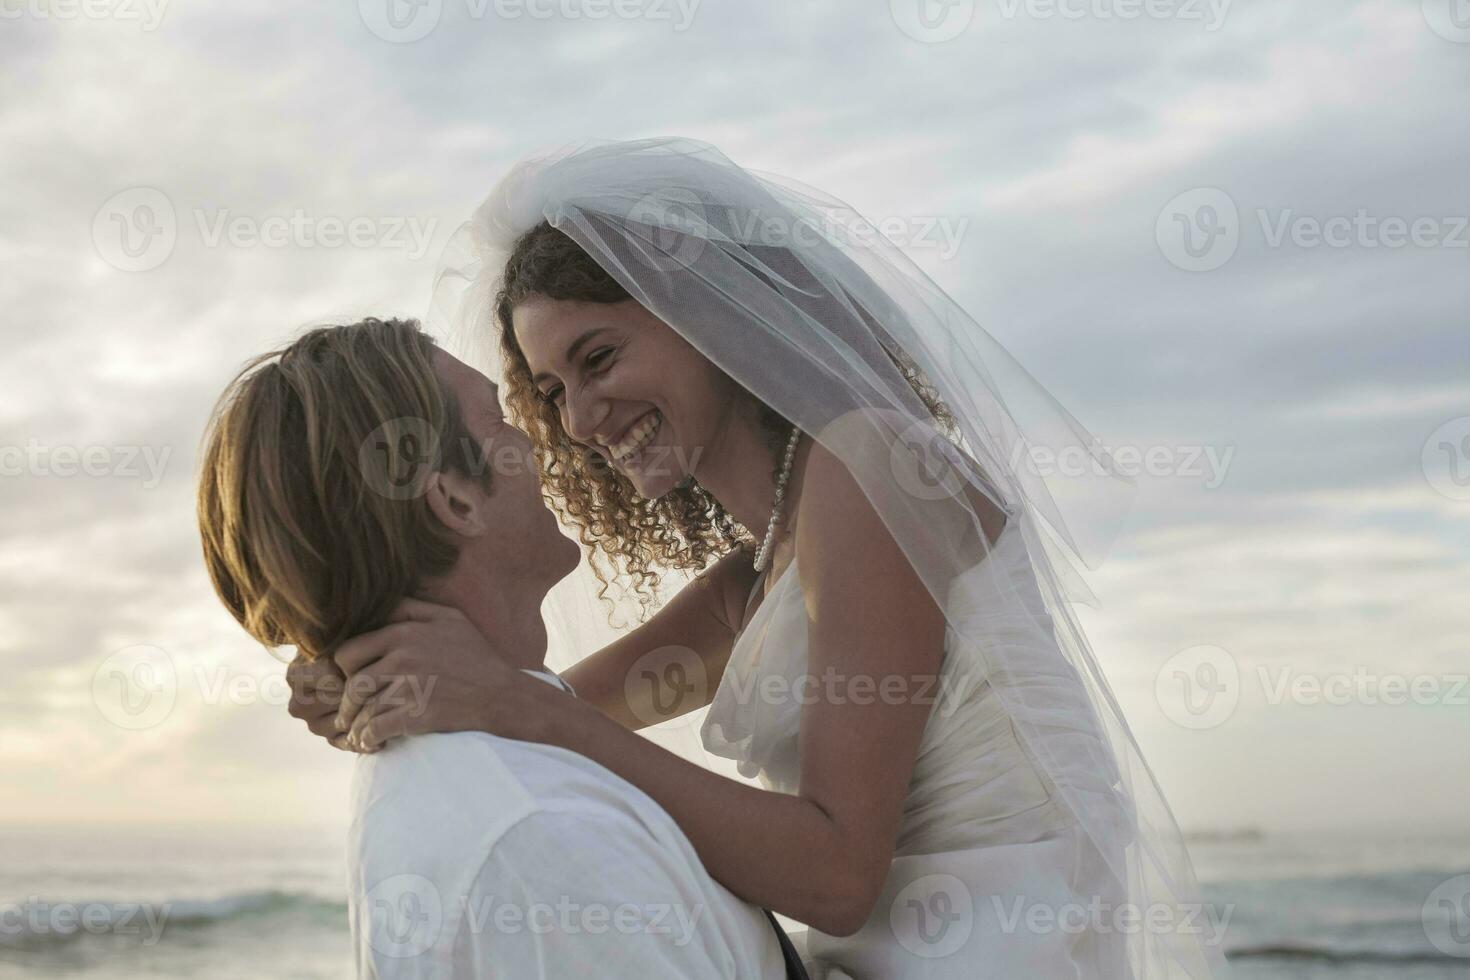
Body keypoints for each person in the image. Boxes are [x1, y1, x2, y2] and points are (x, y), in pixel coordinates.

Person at [292, 138, 1228, 978]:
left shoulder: (874, 468)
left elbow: (835, 876)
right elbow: (542, 699)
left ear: (704, 314)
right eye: (548, 388)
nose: (576, 421)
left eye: (600, 356)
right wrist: (360, 674)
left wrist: (512, 703)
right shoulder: (759, 575)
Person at [196, 316, 804, 978]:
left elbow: (741, 603)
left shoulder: (486, 763)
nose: (550, 440)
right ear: (456, 499)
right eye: (499, 422)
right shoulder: (547, 838)